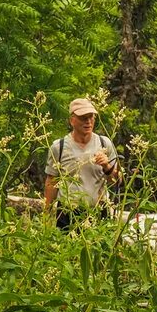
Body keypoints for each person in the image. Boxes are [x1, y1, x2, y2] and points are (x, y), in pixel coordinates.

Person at [44, 97, 121, 230]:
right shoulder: (59, 147)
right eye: (83, 117)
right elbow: (51, 182)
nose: (88, 121)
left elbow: (117, 181)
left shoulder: (104, 143)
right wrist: (47, 213)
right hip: (67, 214)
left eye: (91, 117)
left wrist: (107, 167)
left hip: (98, 212)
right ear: (72, 120)